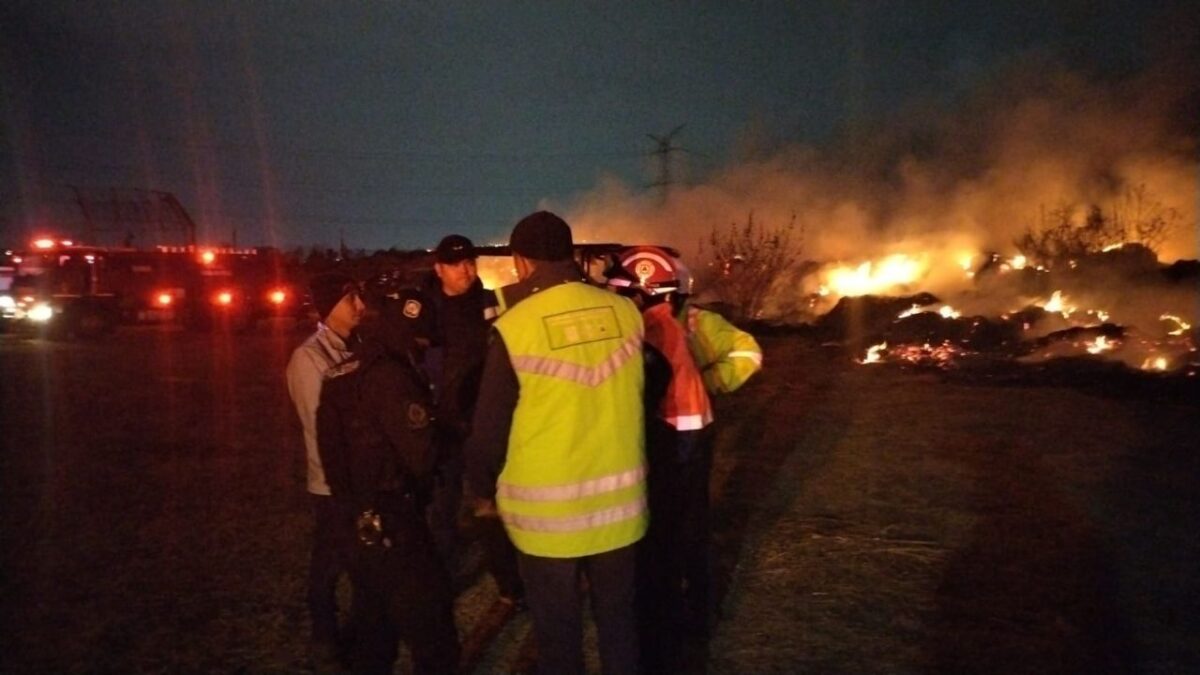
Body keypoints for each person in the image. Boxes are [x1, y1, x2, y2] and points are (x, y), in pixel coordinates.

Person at [466, 211, 648, 675]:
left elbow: (490, 428)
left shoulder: (516, 326)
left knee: (559, 635)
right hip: (620, 515)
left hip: (548, 523)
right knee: (620, 626)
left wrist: (480, 490)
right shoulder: (627, 313)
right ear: (570, 255)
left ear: (521, 263)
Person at [317, 289, 460, 674]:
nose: (425, 348)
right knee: (433, 628)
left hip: (352, 516)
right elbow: (422, 454)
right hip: (395, 518)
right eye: (421, 339)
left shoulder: (339, 374)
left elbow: (329, 449)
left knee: (373, 621)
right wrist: (445, 431)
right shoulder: (392, 377)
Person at [606, 246, 715, 671]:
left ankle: (670, 622)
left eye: (623, 292)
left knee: (665, 535)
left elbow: (641, 391)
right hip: (694, 428)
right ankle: (699, 616)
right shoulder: (670, 320)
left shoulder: (648, 331)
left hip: (673, 436)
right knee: (694, 528)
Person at [420, 235, 524, 605]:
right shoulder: (426, 311)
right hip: (443, 425)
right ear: (439, 269)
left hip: (485, 419)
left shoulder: (488, 302)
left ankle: (510, 584)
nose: (466, 270)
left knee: (492, 502)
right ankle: (442, 580)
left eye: (470, 262)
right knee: (442, 508)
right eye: (456, 264)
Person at [285, 272, 365, 669]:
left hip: (360, 476)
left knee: (356, 556)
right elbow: (321, 428)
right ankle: (324, 632)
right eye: (352, 300)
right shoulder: (309, 357)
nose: (361, 307)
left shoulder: (354, 347)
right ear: (330, 305)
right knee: (329, 560)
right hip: (333, 481)